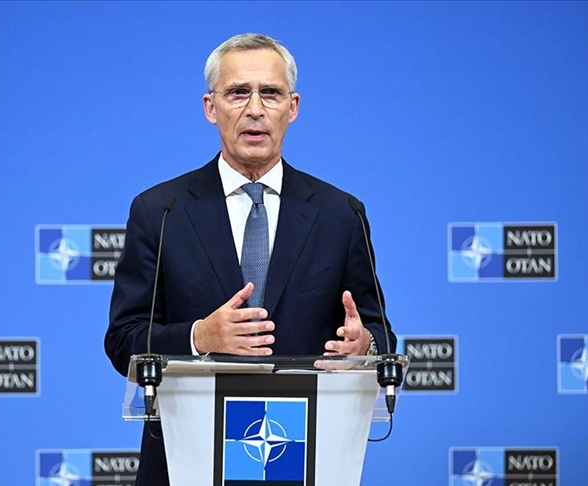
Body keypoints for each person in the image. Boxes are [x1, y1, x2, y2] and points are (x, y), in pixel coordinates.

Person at [104, 33, 397, 486]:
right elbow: (123, 339)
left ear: (292, 108)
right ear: (210, 107)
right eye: (238, 92)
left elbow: (379, 333)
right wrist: (199, 336)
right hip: (187, 456)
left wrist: (365, 349)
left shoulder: (341, 214)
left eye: (271, 93)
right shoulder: (161, 211)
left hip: (303, 452)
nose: (255, 109)